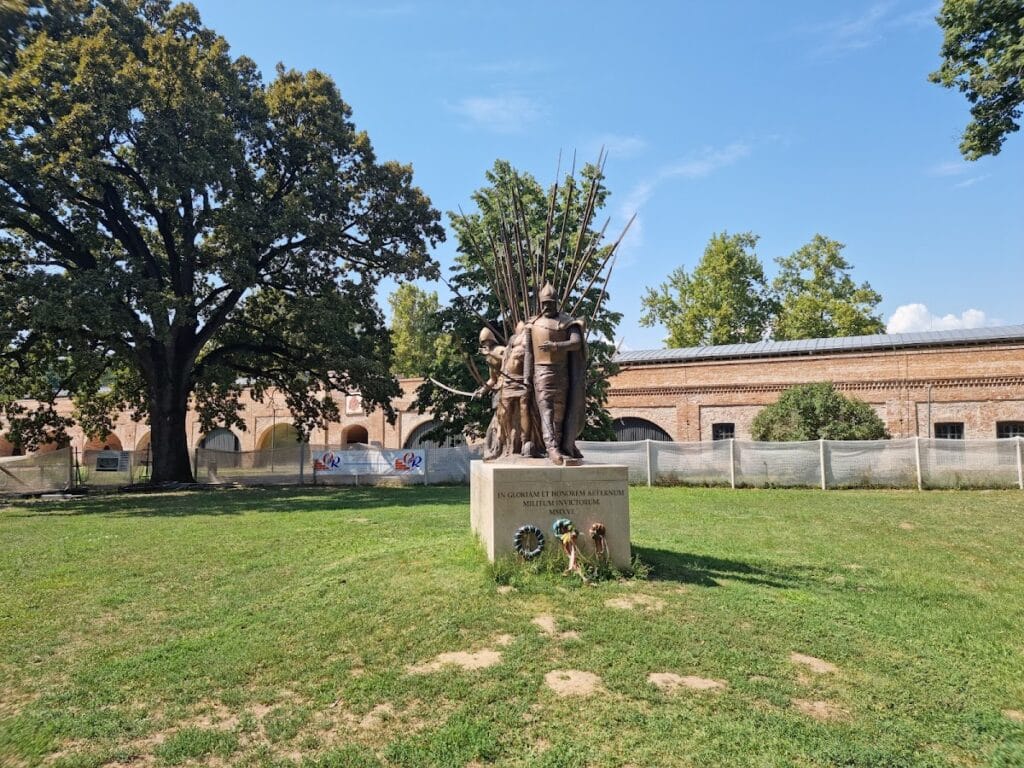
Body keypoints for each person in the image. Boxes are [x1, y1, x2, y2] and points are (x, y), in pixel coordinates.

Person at [525, 283, 587, 465]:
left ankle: (564, 444)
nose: (546, 307)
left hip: (562, 373)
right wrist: (528, 377)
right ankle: (551, 447)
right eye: (544, 303)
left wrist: (556, 346)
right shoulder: (533, 324)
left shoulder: (568, 322)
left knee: (560, 411)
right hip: (541, 372)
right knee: (547, 410)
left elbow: (576, 343)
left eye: (550, 303)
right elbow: (529, 352)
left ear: (556, 302)